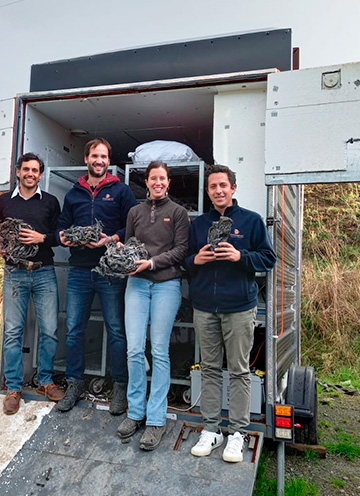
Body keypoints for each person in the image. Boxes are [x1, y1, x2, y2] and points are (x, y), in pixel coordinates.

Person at [185, 164, 276, 462]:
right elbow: (184, 260)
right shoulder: (198, 225)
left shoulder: (250, 221)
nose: (218, 190)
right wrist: (196, 259)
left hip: (239, 307)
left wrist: (241, 256)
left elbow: (268, 258)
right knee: (210, 367)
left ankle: (237, 432)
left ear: (233, 188)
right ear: (208, 191)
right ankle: (211, 429)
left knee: (239, 370)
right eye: (213, 187)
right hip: (205, 307)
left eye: (223, 185)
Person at [55, 138, 138, 414]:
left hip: (110, 271)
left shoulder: (121, 190)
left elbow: (133, 226)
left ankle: (120, 387)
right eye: (94, 156)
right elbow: (62, 227)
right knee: (74, 329)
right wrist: (65, 238)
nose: (99, 160)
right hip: (80, 270)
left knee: (116, 329)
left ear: (108, 160)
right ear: (86, 158)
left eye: (104, 156)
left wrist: (111, 239)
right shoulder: (74, 193)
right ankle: (74, 383)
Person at [115, 161, 190, 451]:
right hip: (137, 284)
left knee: (159, 350)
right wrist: (124, 253)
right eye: (153, 178)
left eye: (162, 178)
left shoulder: (178, 213)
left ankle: (156, 419)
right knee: (134, 348)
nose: (157, 182)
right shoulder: (135, 211)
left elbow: (182, 250)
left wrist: (153, 262)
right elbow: (132, 242)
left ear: (168, 182)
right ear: (146, 182)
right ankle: (135, 412)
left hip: (166, 285)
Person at [0, 152, 63, 415]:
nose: (30, 174)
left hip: (44, 272)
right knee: (12, 332)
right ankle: (13, 388)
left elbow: (59, 236)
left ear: (41, 175)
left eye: (35, 170)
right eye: (26, 170)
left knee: (50, 329)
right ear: (18, 172)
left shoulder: (51, 202)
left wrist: (41, 237)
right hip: (14, 273)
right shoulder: (4, 201)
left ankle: (45, 381)